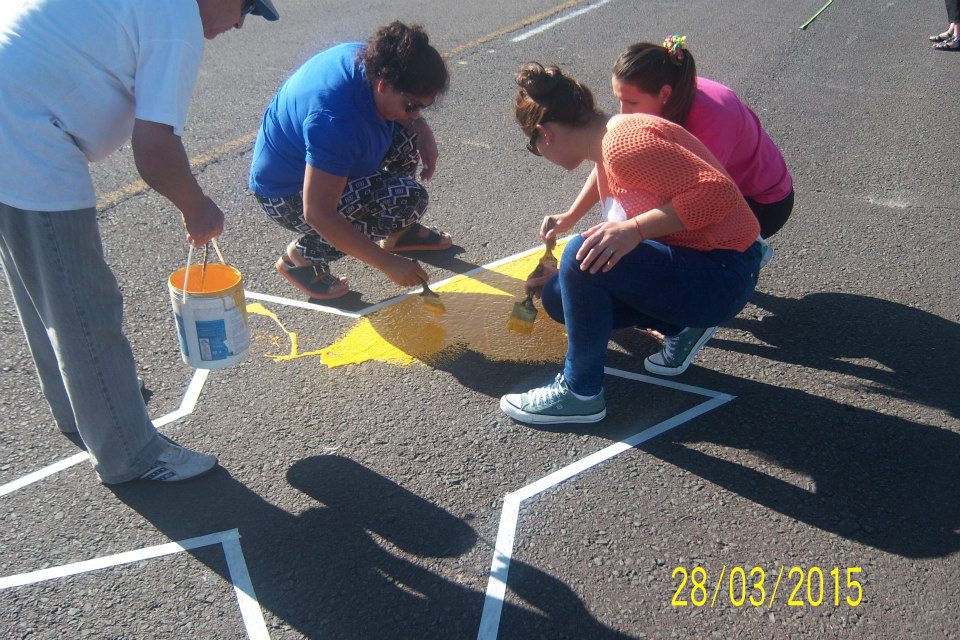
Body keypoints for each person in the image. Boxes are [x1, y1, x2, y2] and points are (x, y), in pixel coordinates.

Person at [0, 0, 279, 484]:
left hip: (14, 114)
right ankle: (128, 452)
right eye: (244, 7)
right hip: (24, 136)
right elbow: (154, 147)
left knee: (42, 292)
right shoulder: (176, 22)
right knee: (82, 303)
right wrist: (197, 206)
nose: (239, 23)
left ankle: (83, 411)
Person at [499, 63, 761, 424]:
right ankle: (683, 327)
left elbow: (719, 193)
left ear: (545, 133)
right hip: (707, 267)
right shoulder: (607, 137)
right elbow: (604, 169)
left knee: (582, 253)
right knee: (560, 293)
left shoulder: (625, 144)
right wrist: (572, 217)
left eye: (533, 146)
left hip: (724, 273)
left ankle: (580, 392)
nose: (539, 152)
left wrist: (634, 230)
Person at [557, 36, 793, 375]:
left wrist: (633, 236)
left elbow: (712, 197)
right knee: (634, 248)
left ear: (664, 95)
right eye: (618, 100)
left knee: (656, 242)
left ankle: (722, 285)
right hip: (729, 195)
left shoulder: (711, 116)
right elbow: (605, 158)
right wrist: (570, 216)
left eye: (631, 103)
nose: (622, 113)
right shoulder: (658, 108)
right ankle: (704, 290)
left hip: (761, 201)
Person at [249, 21, 452, 299]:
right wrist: (387, 264)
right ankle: (302, 258)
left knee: (406, 134)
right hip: (287, 194)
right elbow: (318, 212)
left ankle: (398, 232)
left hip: (321, 161)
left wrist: (422, 129)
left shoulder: (374, 61)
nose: (416, 114)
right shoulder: (336, 121)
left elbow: (405, 112)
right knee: (407, 199)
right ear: (384, 85)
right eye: (412, 106)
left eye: (422, 107)